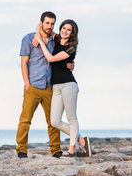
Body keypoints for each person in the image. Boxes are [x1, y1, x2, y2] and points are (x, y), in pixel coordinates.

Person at [34, 19, 91, 157]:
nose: (65, 31)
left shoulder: (71, 48)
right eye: (63, 28)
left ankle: (71, 149)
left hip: (68, 85)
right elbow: (41, 26)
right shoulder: (57, 38)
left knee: (71, 117)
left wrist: (41, 42)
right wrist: (38, 35)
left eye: (68, 30)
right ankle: (81, 140)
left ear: (72, 33)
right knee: (55, 121)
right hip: (56, 87)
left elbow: (51, 59)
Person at [16, 11, 63, 159]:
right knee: (25, 120)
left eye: (52, 23)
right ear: (41, 22)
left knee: (53, 121)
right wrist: (26, 83)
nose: (49, 26)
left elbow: (65, 53)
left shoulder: (55, 40)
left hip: (50, 86)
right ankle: (21, 150)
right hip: (33, 86)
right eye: (47, 23)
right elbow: (24, 62)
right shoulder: (28, 39)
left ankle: (56, 151)